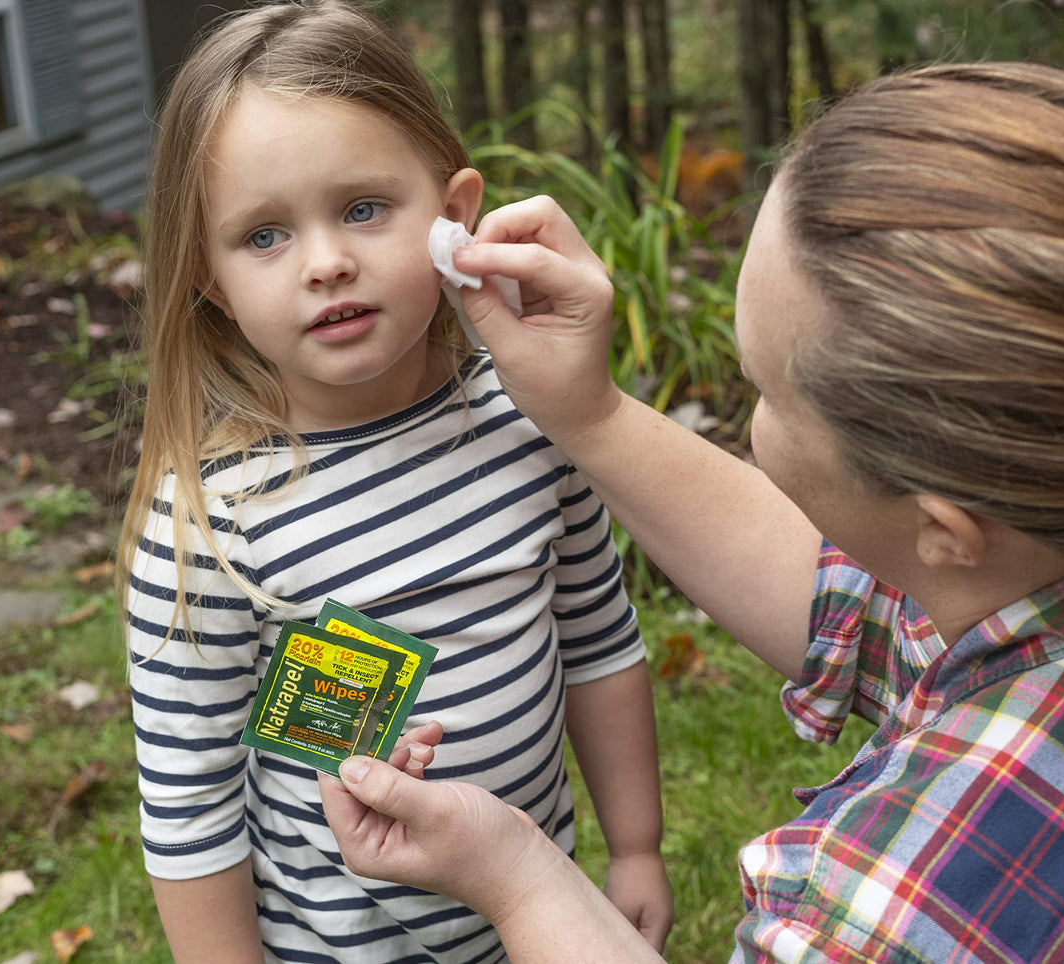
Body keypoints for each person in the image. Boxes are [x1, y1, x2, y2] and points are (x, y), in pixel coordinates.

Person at [318, 62, 1064, 962]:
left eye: (765, 393)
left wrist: (516, 878)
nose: (749, 414)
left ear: (946, 530)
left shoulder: (887, 913)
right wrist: (589, 414)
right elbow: (864, 607)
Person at [115, 2, 672, 961]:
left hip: (539, 919)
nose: (327, 262)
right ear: (207, 277)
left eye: (363, 209)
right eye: (262, 237)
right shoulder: (213, 522)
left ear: (453, 217)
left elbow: (597, 639)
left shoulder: (528, 415)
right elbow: (190, 803)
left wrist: (636, 847)